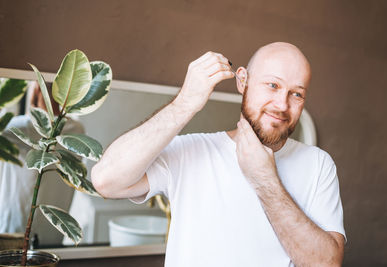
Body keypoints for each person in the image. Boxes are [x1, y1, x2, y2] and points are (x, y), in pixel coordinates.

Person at [92, 42, 346, 266]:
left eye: (297, 94)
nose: (282, 104)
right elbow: (106, 180)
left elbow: (325, 264)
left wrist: (265, 180)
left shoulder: (318, 165)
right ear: (242, 80)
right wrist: (186, 102)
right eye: (272, 85)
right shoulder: (192, 152)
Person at [0, 81, 84, 246]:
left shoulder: (23, 127)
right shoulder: (77, 130)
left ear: (37, 89)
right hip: (54, 224)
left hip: (16, 223)